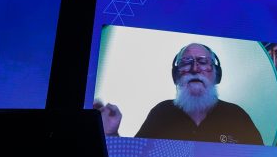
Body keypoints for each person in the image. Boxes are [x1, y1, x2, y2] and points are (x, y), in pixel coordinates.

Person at [94, 42, 263, 145]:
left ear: (216, 74)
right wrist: (111, 134)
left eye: (203, 62)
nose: (195, 69)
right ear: (176, 75)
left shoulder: (237, 116)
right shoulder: (161, 113)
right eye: (186, 62)